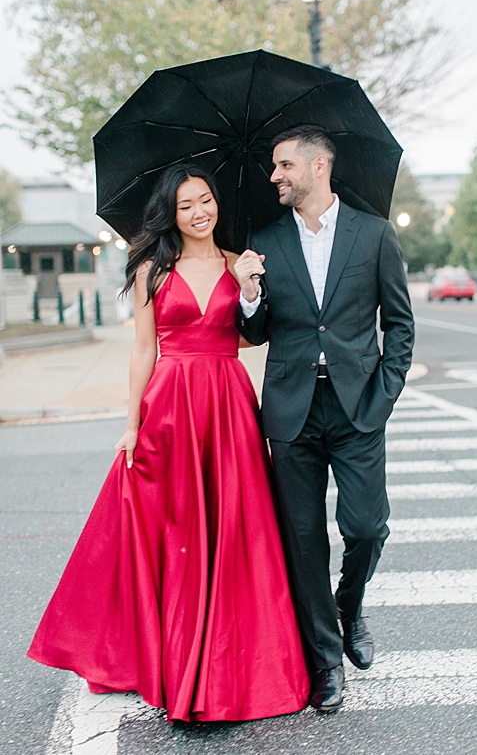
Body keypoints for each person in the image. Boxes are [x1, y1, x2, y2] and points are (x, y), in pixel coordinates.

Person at [27, 164, 309, 722]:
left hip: (228, 401)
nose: (201, 212)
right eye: (187, 205)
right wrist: (131, 424)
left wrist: (252, 288)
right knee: (173, 529)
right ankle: (168, 655)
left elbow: (255, 335)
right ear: (170, 214)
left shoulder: (239, 263)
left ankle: (234, 659)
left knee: (232, 527)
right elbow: (141, 351)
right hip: (171, 406)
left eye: (206, 200)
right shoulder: (152, 270)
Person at [232, 125, 414, 712]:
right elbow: (253, 333)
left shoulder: (373, 235)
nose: (275, 176)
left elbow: (401, 326)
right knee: (303, 540)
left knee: (365, 527)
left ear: (318, 166)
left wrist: (382, 396)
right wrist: (250, 293)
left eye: (284, 165)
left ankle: (350, 602)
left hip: (357, 405)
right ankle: (326, 661)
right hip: (290, 410)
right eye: (273, 167)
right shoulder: (262, 241)